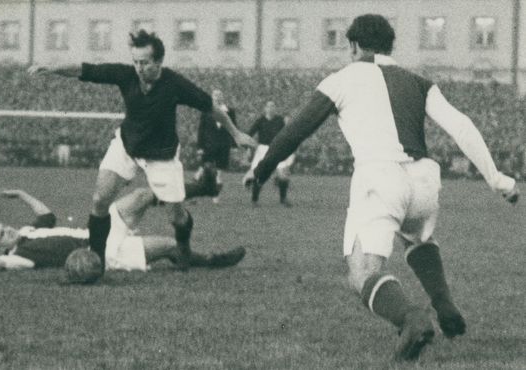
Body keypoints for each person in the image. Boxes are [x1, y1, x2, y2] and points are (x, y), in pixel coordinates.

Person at [244, 14, 519, 362]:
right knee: (416, 237)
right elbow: (461, 126)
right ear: (390, 46)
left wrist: (261, 169)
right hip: (424, 181)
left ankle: (411, 319)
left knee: (361, 273)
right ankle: (445, 306)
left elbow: (298, 128)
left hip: (380, 177)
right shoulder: (419, 82)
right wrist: (497, 179)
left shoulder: (343, 78)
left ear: (355, 46)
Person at [27, 30, 255, 273]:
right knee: (100, 199)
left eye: (144, 62)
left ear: (158, 61)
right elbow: (86, 70)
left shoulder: (174, 84)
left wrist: (236, 133)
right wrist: (51, 68)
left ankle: (184, 249)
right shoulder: (126, 75)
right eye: (135, 61)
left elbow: (210, 106)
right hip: (126, 146)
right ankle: (97, 262)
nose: (138, 67)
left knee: (177, 216)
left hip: (161, 155)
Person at [0, 188, 246, 271]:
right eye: (2, 235)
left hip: (99, 229)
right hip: (104, 253)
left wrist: (22, 194)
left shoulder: (27, 231)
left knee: (141, 195)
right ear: (0, 246)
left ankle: (186, 193)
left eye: (4, 227)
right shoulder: (20, 255)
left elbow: (46, 214)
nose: (8, 231)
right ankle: (210, 261)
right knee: (168, 245)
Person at [245, 101, 294, 206]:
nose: (270, 108)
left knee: (283, 175)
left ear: (275, 108)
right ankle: (254, 200)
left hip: (277, 149)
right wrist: (249, 149)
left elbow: (287, 133)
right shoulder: (260, 121)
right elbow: (249, 134)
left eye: (273, 106)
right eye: (268, 106)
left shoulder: (280, 120)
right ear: (265, 108)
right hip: (262, 149)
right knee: (259, 174)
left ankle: (283, 199)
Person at [194, 88, 237, 204]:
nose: (217, 97)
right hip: (208, 146)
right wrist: (200, 147)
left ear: (222, 97)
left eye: (219, 95)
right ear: (211, 97)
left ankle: (215, 196)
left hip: (223, 146)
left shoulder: (230, 111)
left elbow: (233, 129)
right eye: (215, 95)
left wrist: (234, 145)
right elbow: (201, 130)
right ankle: (192, 196)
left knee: (218, 174)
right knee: (202, 170)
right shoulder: (206, 110)